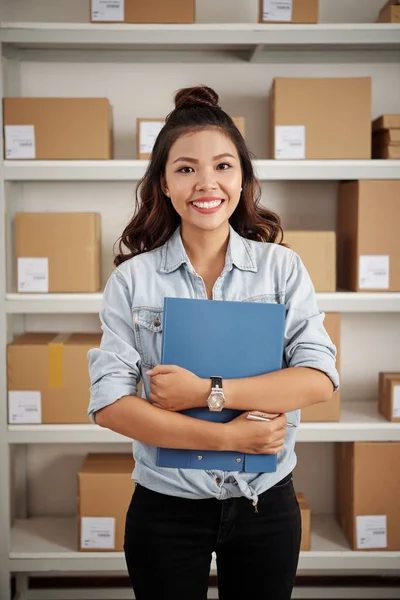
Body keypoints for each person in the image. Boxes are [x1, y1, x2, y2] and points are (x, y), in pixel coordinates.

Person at [87, 85, 339, 600]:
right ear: (163, 183)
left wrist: (206, 392)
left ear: (243, 179)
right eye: (185, 168)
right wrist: (228, 439)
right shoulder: (132, 281)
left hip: (263, 503)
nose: (206, 183)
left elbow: (318, 379)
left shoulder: (282, 269)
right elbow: (110, 404)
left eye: (223, 166)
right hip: (167, 505)